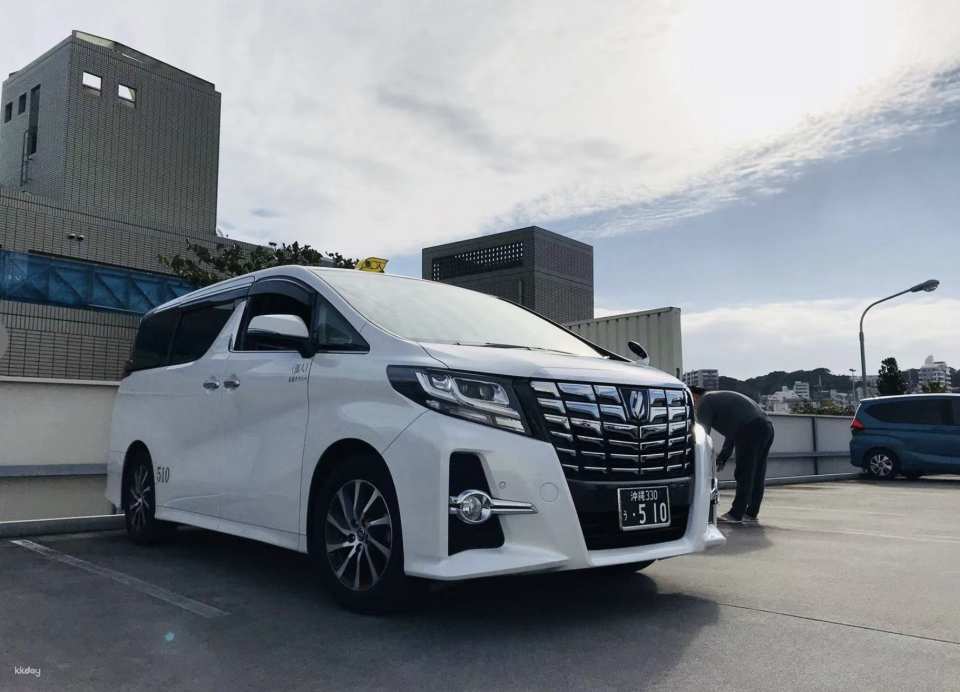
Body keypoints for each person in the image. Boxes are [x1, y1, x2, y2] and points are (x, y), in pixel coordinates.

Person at [689, 386, 775, 525]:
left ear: (694, 396)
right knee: (758, 473)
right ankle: (751, 513)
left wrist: (695, 458)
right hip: (767, 426)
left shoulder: (704, 401)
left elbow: (702, 435)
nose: (691, 406)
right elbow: (733, 431)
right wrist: (723, 457)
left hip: (750, 428)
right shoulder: (717, 398)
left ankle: (736, 514)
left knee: (744, 473)